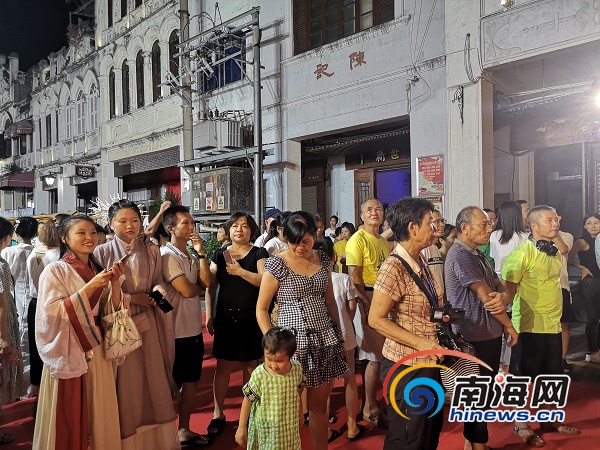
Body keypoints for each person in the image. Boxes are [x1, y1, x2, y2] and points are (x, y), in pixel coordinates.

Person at [256, 211, 347, 449]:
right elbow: (261, 309)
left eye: (305, 241)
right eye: (293, 242)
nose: (300, 248)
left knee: (319, 407)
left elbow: (330, 300)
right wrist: (272, 345)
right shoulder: (276, 263)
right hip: (290, 345)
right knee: (286, 409)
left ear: (314, 235)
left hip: (324, 339)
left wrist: (340, 334)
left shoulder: (323, 259)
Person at [94, 199, 180, 450]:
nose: (130, 225)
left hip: (149, 319)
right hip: (117, 321)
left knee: (153, 374)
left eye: (134, 220)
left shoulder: (151, 249)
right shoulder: (101, 253)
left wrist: (158, 291)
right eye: (122, 221)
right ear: (110, 223)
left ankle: (156, 440)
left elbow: (158, 279)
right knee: (126, 380)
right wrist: (132, 299)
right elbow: (98, 293)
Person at [33, 215, 123, 450]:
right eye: (80, 233)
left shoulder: (96, 268)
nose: (89, 237)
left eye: (92, 232)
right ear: (65, 238)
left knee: (99, 406)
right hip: (69, 346)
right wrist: (90, 287)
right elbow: (49, 314)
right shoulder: (55, 270)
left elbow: (109, 309)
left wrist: (114, 284)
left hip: (96, 345)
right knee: (70, 412)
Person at [368, 197, 445, 450]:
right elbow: (375, 319)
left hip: (427, 360)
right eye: (430, 222)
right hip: (406, 365)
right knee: (408, 437)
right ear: (412, 228)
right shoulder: (393, 267)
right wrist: (421, 342)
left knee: (427, 432)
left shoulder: (419, 259)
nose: (435, 227)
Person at [503, 205, 580, 446]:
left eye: (556, 219)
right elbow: (508, 294)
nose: (556, 223)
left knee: (551, 377)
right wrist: (507, 326)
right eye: (549, 220)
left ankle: (548, 420)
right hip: (528, 327)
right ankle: (520, 424)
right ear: (534, 225)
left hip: (553, 326)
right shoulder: (520, 254)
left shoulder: (554, 251)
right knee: (522, 380)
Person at [444, 206, 518, 450]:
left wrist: (504, 296)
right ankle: (477, 445)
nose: (490, 229)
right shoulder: (461, 255)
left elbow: (498, 285)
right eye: (484, 225)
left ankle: (473, 443)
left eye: (490, 224)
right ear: (465, 227)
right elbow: (488, 298)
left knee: (481, 394)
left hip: (486, 332)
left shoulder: (477, 253)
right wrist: (509, 326)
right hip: (474, 335)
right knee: (478, 395)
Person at [203, 212, 268, 439]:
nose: (239, 230)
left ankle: (247, 413)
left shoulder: (259, 253)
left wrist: (240, 272)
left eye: (245, 226)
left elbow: (264, 280)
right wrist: (209, 314)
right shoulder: (221, 254)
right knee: (222, 366)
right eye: (235, 226)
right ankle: (218, 413)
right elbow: (210, 286)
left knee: (250, 365)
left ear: (252, 230)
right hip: (226, 317)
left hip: (251, 317)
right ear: (228, 230)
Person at [161, 206, 211, 447]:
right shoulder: (167, 256)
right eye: (185, 223)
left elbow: (206, 282)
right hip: (174, 332)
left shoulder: (189, 254)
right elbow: (188, 290)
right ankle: (164, 434)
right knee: (168, 386)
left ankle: (184, 429)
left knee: (191, 382)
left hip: (193, 329)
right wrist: (199, 286)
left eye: (192, 222)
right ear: (171, 228)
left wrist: (201, 253)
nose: (191, 227)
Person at [346, 198, 390, 427]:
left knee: (373, 356)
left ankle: (370, 402)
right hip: (368, 297)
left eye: (378, 209)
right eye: (369, 210)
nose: (375, 212)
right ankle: (370, 408)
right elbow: (354, 274)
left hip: (381, 297)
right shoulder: (358, 239)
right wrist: (365, 304)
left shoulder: (381, 240)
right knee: (373, 357)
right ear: (361, 215)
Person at [314, 237, 363, 441]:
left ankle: (325, 429)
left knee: (325, 383)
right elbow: (352, 309)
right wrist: (345, 323)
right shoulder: (343, 279)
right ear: (334, 257)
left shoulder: (312, 280)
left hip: (322, 337)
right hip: (345, 334)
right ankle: (352, 426)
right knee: (350, 379)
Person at [235, 327, 304, 450]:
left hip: (289, 426)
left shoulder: (297, 369)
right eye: (269, 359)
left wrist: (300, 411)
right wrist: (241, 426)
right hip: (267, 430)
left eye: (279, 361)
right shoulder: (259, 374)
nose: (273, 365)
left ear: (291, 355)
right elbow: (247, 399)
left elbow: (299, 390)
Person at [489, 201, 529, 374]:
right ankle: (510, 364)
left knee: (501, 322)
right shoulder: (525, 237)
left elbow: (494, 258)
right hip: (519, 283)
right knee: (514, 323)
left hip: (499, 281)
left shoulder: (494, 236)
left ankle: (500, 365)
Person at [26, 220, 62, 408]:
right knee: (54, 348)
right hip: (53, 305)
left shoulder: (36, 252)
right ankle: (51, 394)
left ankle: (37, 390)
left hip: (35, 303)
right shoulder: (59, 255)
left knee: (36, 348)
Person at [1, 216, 38, 393]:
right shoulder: (37, 251)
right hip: (27, 297)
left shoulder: (8, 253)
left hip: (14, 297)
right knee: (26, 341)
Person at [569, 213, 600, 363]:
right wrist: (582, 268)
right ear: (585, 226)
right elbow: (567, 257)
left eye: (596, 222)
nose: (593, 226)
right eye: (589, 223)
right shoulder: (582, 242)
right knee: (593, 318)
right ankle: (592, 352)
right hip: (590, 283)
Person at [556, 230, 574, 372]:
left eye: (555, 219)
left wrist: (553, 233)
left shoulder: (566, 236)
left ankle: (562, 359)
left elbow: (563, 249)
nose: (553, 223)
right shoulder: (532, 237)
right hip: (540, 288)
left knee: (563, 324)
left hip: (561, 285)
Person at [421, 210, 445, 297]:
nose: (442, 225)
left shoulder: (435, 247)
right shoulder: (424, 248)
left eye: (442, 221)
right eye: (437, 221)